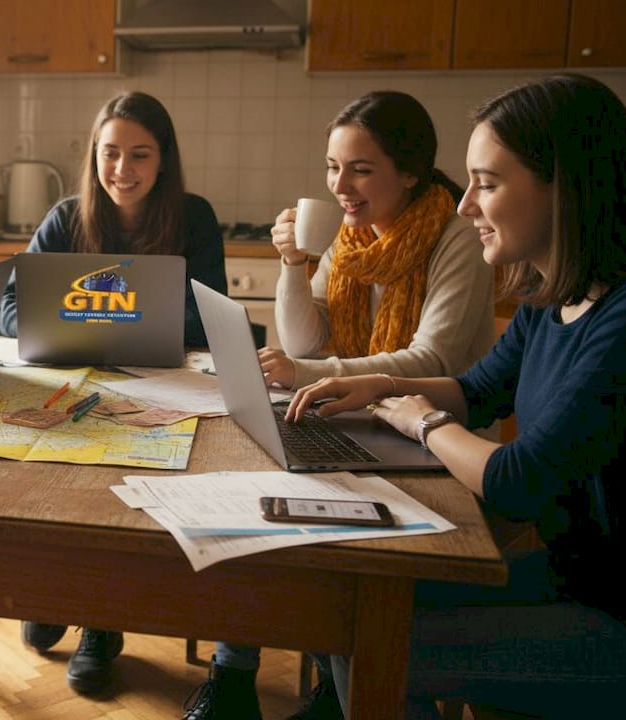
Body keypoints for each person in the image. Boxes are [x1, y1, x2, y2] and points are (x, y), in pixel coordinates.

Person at [292, 73, 626, 718]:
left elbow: (516, 479)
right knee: (338, 601)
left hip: (621, 615)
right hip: (572, 578)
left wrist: (422, 422)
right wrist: (386, 385)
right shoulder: (553, 292)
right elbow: (479, 392)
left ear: (564, 186)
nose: (464, 204)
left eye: (486, 183)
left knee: (359, 631)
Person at [184, 91, 497, 720]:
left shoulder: (455, 237)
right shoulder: (348, 241)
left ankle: (338, 686)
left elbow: (429, 361)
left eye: (360, 168)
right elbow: (305, 337)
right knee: (255, 486)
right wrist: (294, 263)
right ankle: (236, 675)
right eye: (332, 167)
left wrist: (312, 373)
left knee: (307, 528)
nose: (340, 186)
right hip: (356, 421)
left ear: (409, 171)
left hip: (432, 440)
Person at [0, 90, 228, 694]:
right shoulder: (67, 218)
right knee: (45, 486)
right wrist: (69, 329)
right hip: (70, 384)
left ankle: (103, 624)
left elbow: (209, 319)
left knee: (118, 501)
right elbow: (8, 308)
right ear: (95, 156)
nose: (123, 170)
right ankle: (52, 594)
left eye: (140, 156)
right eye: (111, 154)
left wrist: (115, 326)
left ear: (164, 160)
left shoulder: (194, 216)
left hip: (164, 391)